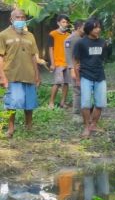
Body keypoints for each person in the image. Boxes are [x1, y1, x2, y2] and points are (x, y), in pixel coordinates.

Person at [0, 8, 41, 138]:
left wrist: (37, 75)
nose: (21, 20)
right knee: (12, 103)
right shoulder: (3, 35)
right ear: (11, 19)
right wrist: (2, 77)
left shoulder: (30, 36)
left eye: (23, 17)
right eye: (18, 17)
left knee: (30, 103)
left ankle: (29, 126)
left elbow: (34, 56)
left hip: (28, 74)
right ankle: (11, 129)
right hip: (11, 75)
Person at [73, 18, 107, 137]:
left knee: (100, 103)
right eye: (95, 27)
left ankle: (94, 125)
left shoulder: (103, 42)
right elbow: (76, 62)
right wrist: (77, 78)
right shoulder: (81, 43)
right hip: (86, 76)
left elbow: (103, 58)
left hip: (100, 76)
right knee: (86, 103)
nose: (98, 29)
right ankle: (86, 126)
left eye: (99, 27)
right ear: (89, 29)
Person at [48, 14, 72, 109]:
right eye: (63, 22)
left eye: (66, 22)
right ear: (58, 23)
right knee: (57, 83)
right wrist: (52, 63)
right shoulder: (52, 34)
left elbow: (70, 49)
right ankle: (51, 102)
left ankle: (63, 102)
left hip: (67, 62)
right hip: (58, 63)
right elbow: (50, 49)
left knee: (66, 83)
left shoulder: (69, 35)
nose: (65, 24)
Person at [65, 20, 85, 116]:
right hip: (75, 68)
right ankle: (76, 112)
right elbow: (69, 55)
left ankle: (83, 111)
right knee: (77, 90)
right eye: (84, 27)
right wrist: (72, 69)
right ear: (79, 28)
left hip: (83, 67)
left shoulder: (81, 38)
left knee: (83, 89)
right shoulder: (71, 39)